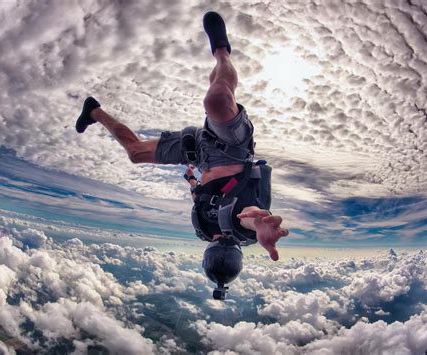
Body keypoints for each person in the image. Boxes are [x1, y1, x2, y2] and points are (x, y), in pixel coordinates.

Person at [75, 11, 289, 299]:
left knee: (136, 153)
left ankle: (93, 111)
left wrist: (192, 181)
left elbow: (203, 198)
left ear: (210, 250)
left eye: (217, 244)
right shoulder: (246, 232)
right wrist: (261, 223)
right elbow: (248, 215)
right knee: (217, 100)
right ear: (235, 250)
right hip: (232, 150)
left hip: (199, 157)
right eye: (227, 245)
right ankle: (222, 51)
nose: (222, 239)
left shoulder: (202, 228)